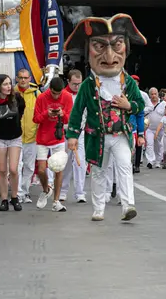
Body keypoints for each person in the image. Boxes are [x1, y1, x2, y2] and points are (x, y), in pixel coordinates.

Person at [65, 14, 147, 222]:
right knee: (99, 173)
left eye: (117, 45)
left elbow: (140, 105)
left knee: (124, 167)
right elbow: (77, 111)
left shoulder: (128, 83)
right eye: (99, 46)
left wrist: (129, 106)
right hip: (97, 136)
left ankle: (128, 205)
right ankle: (99, 208)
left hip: (121, 135)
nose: (109, 56)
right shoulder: (88, 85)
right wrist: (73, 135)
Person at [33, 77, 74, 212]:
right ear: (49, 89)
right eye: (54, 93)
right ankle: (46, 190)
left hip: (58, 137)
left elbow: (71, 118)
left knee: (58, 169)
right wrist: (46, 113)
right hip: (43, 138)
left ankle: (56, 201)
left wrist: (62, 114)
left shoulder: (67, 97)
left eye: (59, 93)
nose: (56, 96)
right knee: (41, 170)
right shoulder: (42, 98)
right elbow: (35, 119)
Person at [0, 74, 25, 212]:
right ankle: (4, 199)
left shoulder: (17, 99)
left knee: (14, 169)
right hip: (0, 137)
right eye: (5, 84)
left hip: (15, 137)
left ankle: (15, 197)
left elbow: (21, 111)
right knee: (2, 170)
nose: (9, 86)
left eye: (10, 83)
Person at [60, 70, 87, 203]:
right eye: (74, 84)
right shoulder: (63, 94)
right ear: (68, 82)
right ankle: (63, 191)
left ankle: (80, 192)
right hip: (65, 132)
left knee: (80, 162)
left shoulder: (83, 94)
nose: (77, 86)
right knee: (64, 163)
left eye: (79, 83)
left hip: (80, 132)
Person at [15, 68, 41, 203]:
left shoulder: (37, 93)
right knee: (17, 167)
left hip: (32, 137)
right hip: (16, 137)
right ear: (17, 79)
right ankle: (18, 193)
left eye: (26, 77)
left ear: (30, 79)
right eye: (21, 77)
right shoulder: (12, 93)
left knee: (30, 167)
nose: (23, 80)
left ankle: (25, 192)